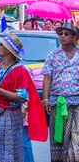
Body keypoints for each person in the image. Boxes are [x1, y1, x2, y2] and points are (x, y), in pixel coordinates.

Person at [0, 33, 48, 162]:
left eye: (1, 45)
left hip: (10, 116)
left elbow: (22, 97)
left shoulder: (20, 70)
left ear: (8, 50)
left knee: (9, 152)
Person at [41, 22, 79, 162]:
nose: (62, 36)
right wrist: (45, 99)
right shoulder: (53, 55)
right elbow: (47, 78)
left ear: (74, 37)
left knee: (76, 138)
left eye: (66, 34)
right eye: (60, 34)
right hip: (58, 103)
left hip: (77, 103)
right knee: (59, 139)